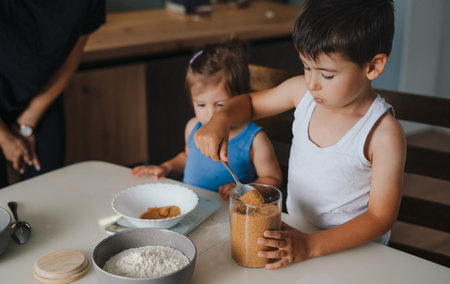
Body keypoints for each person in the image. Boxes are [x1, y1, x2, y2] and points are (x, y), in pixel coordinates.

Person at [194, 0, 406, 269]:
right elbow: (249, 104)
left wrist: (311, 245)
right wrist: (221, 119)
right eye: (306, 67)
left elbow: (379, 218)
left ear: (373, 66)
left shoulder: (383, 134)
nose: (312, 83)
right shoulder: (301, 94)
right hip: (296, 234)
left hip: (354, 253)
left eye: (327, 75)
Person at [131, 39, 282, 200]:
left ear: (241, 100)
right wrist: (166, 167)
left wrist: (247, 190)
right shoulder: (192, 127)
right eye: (201, 104)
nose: (211, 114)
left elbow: (273, 179)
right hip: (191, 209)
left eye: (221, 104)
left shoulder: (254, 139)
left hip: (231, 215)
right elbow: (187, 157)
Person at [0, 0, 105, 188]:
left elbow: (70, 62)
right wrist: (3, 137)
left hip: (40, 96)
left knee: (47, 188)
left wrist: (28, 122)